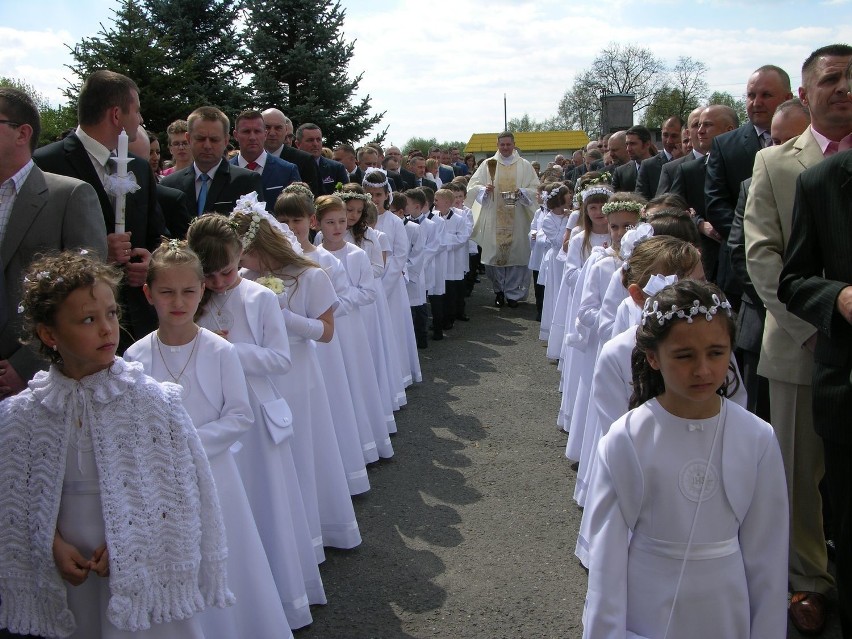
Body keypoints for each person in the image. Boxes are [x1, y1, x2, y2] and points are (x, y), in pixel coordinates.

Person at [0, 251, 233, 638]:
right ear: (49, 334)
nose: (108, 329)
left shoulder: (153, 403)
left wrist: (132, 540)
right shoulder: (22, 416)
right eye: (88, 320)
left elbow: (177, 497)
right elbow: (15, 500)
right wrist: (51, 544)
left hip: (139, 560)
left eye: (111, 314)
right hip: (67, 569)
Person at [582, 279, 789, 639]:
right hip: (648, 598)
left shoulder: (756, 437)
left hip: (726, 603)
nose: (704, 370)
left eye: (716, 353)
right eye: (684, 356)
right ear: (652, 357)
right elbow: (607, 559)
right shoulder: (628, 438)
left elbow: (768, 557)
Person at [125, 239, 294, 637]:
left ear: (202, 290)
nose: (178, 301)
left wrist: (188, 444)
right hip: (161, 484)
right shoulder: (134, 358)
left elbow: (239, 415)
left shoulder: (220, 351)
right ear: (149, 294)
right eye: (167, 292)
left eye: (188, 291)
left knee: (224, 555)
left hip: (215, 475)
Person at [745, 44, 852, 635]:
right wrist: (816, 331)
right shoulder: (777, 164)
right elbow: (763, 257)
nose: (843, 89)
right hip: (802, 345)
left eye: (851, 79)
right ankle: (808, 580)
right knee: (799, 473)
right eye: (831, 79)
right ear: (806, 94)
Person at [186, 213, 326, 625]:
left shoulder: (260, 297)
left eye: (226, 272)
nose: (219, 283)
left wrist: (228, 350)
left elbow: (280, 359)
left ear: (239, 257)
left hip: (256, 412)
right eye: (208, 276)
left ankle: (280, 595)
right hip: (212, 412)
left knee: (265, 501)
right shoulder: (198, 298)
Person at [231, 194, 366, 545]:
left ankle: (312, 530)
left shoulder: (310, 275)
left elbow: (326, 332)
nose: (240, 264)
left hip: (299, 372)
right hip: (260, 377)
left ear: (259, 245)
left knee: (303, 447)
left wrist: (284, 317)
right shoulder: (245, 276)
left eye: (242, 255)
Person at [32, 69, 164, 345]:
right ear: (117, 115)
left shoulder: (138, 168)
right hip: (75, 323)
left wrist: (151, 263)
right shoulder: (47, 164)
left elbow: (157, 232)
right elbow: (36, 250)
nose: (139, 119)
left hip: (136, 322)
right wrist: (99, 252)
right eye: (136, 111)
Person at [0, 87, 107, 398]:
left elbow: (89, 294)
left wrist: (26, 364)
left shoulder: (69, 196)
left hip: (42, 380)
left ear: (22, 133)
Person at [275, 187, 384, 468]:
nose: (291, 228)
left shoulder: (326, 261)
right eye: (284, 223)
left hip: (326, 339)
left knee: (334, 395)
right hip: (293, 347)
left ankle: (341, 457)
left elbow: (345, 297)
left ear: (310, 222)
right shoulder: (275, 263)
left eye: (296, 221)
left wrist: (320, 312)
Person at [314, 194, 396, 454]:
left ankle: (362, 442)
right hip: (323, 330)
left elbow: (368, 292)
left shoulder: (357, 254)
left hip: (349, 326)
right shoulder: (314, 251)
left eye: (341, 221)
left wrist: (337, 303)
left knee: (353, 377)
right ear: (317, 224)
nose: (338, 227)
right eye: (330, 222)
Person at [706, 65, 794, 304]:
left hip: (796, 264)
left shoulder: (806, 138)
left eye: (766, 95)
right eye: (751, 95)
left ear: (788, 98)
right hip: (739, 269)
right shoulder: (725, 145)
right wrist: (752, 239)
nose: (756, 102)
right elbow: (715, 202)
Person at [465, 131, 540, 308]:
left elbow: (535, 189)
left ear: (514, 144)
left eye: (508, 144)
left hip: (518, 216)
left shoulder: (524, 165)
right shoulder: (487, 164)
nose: (505, 148)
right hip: (494, 216)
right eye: (502, 145)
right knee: (494, 256)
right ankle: (498, 291)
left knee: (516, 257)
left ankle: (513, 294)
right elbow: (473, 187)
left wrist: (523, 192)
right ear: (497, 145)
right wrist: (484, 190)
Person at [160, 106, 264, 231]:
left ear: (226, 140)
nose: (207, 146)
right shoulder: (169, 184)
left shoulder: (246, 181)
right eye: (201, 139)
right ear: (189, 138)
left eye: (214, 140)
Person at [230, 109, 300, 213]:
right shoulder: (225, 171)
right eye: (246, 131)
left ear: (265, 134)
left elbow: (298, 213)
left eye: (257, 131)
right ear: (236, 135)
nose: (252, 137)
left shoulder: (287, 170)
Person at [261, 108, 319, 196]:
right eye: (267, 127)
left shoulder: (304, 160)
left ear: (286, 130)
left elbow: (317, 196)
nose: (272, 133)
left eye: (278, 128)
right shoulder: (249, 157)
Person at [294, 123, 349, 195]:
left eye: (318, 140)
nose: (315, 144)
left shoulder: (336, 168)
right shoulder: (291, 167)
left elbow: (345, 197)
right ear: (298, 144)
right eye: (310, 140)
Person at [635, 116, 682, 199]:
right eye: (665, 135)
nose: (669, 141)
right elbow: (640, 199)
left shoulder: (690, 161)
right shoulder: (648, 165)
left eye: (674, 136)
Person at [611, 125, 654, 192]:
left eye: (633, 144)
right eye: (627, 144)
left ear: (647, 144)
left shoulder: (661, 167)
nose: (628, 149)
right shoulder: (620, 172)